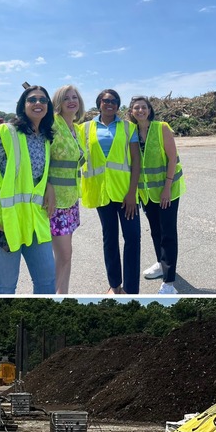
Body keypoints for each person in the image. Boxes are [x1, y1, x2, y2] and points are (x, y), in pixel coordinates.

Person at [0, 85, 55, 294]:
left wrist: (49, 186)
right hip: (3, 224)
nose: (38, 103)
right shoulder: (5, 133)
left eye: (43, 100)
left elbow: (35, 175)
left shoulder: (45, 138)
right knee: (5, 287)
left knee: (47, 283)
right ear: (22, 105)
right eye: (32, 99)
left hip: (33, 222)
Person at [78, 89, 141, 294]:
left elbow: (136, 161)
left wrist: (132, 193)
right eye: (106, 101)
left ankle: (131, 289)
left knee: (132, 238)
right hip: (102, 193)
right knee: (110, 238)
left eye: (114, 101)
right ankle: (115, 285)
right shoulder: (85, 129)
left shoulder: (128, 127)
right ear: (99, 103)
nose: (110, 104)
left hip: (125, 194)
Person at [128, 96, 185, 295]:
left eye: (144, 107)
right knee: (155, 231)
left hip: (167, 190)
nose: (140, 111)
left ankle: (169, 283)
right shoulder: (132, 132)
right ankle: (162, 264)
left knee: (168, 233)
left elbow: (172, 159)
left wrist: (167, 187)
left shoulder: (162, 128)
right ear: (132, 112)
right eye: (136, 108)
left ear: (150, 110)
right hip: (147, 193)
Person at [48, 85, 85, 294]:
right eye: (66, 98)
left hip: (71, 200)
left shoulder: (76, 129)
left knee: (66, 256)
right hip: (56, 202)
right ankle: (53, 294)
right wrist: (48, 186)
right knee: (63, 255)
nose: (72, 101)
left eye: (74, 97)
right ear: (58, 104)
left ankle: (64, 293)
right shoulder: (53, 124)